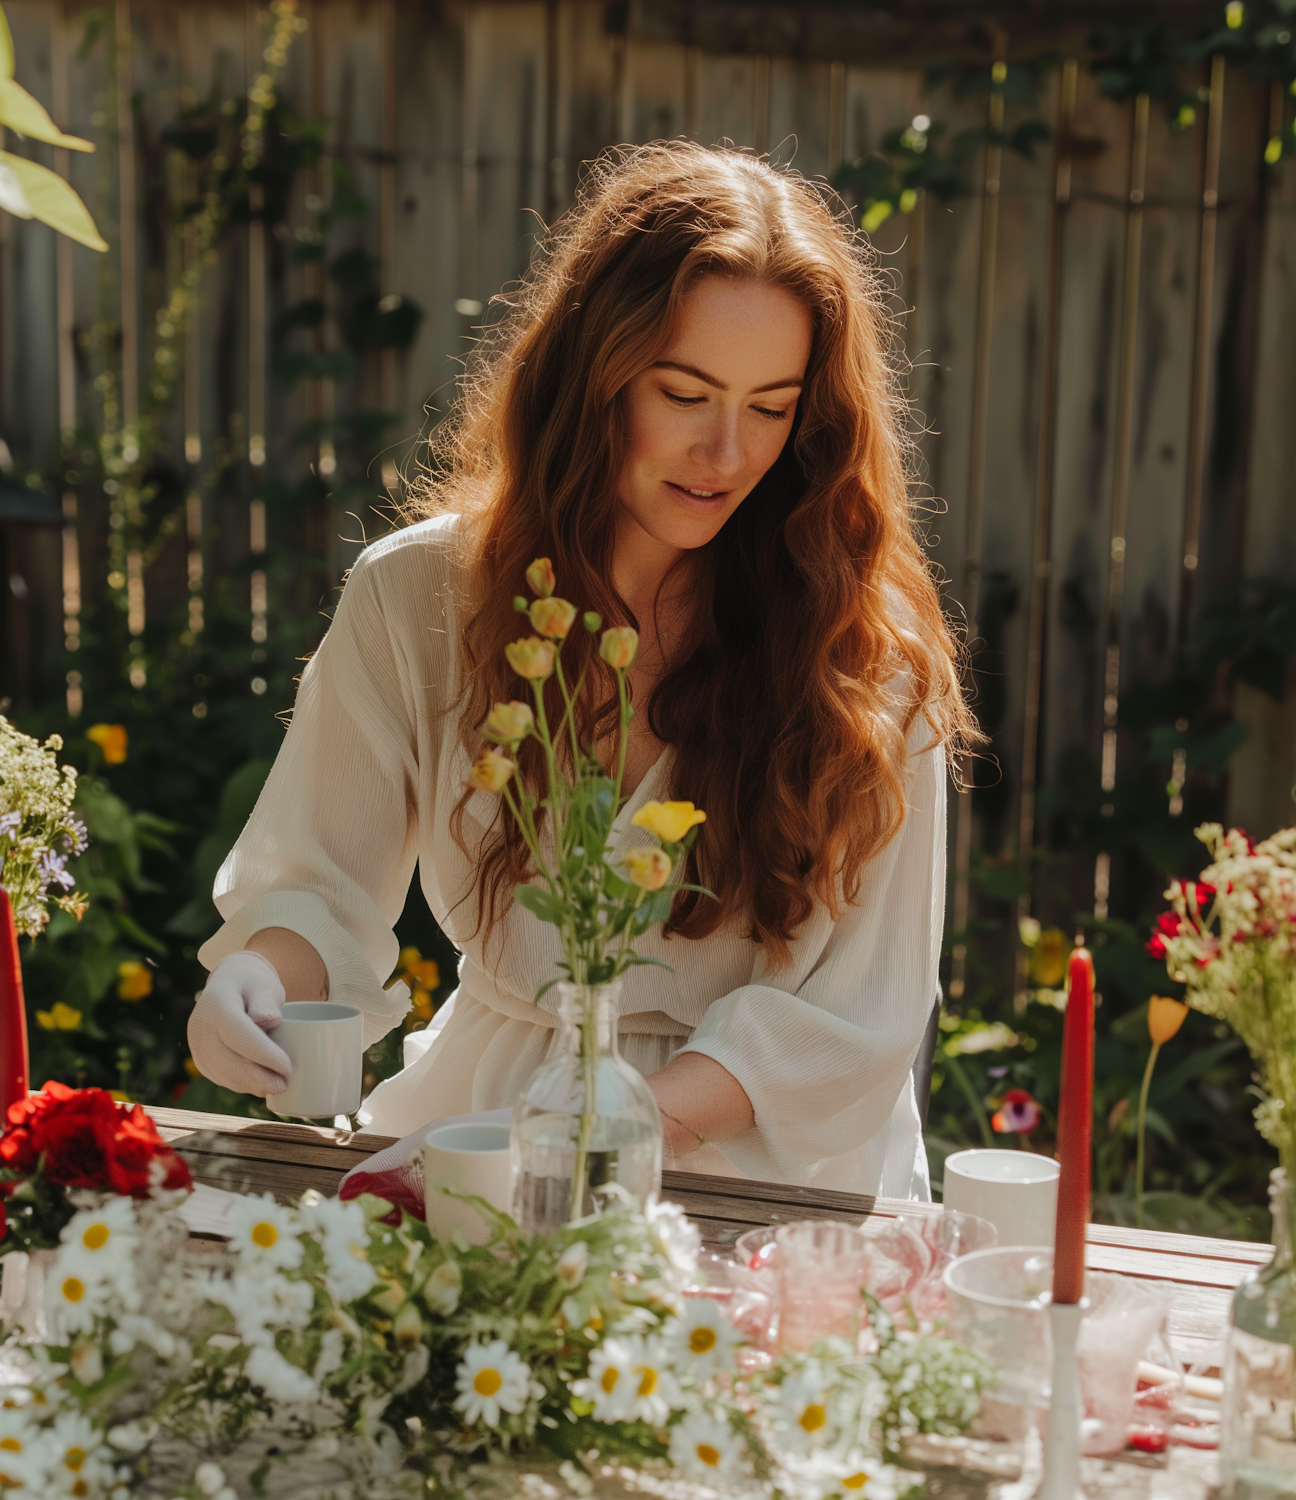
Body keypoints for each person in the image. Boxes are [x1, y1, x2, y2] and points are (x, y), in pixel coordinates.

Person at [187, 141, 976, 1198]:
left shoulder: (867, 652)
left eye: (773, 406)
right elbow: (321, 889)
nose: (729, 452)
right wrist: (249, 981)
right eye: (686, 392)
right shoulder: (420, 595)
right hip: (484, 1118)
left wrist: (583, 1140)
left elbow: (857, 1017)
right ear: (592, 376)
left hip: (761, 1164)